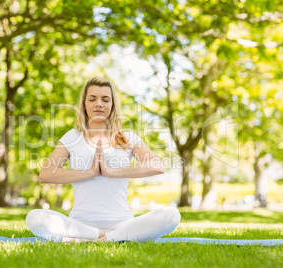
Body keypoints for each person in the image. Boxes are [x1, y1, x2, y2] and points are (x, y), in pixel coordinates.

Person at [26, 77, 181, 242]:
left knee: (171, 215)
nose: (98, 104)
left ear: (112, 105)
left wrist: (111, 171)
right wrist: (90, 172)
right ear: (84, 104)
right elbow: (46, 174)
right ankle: (103, 236)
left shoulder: (127, 138)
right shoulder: (72, 137)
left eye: (105, 99)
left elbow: (156, 166)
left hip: (122, 223)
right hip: (79, 223)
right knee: (34, 217)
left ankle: (93, 238)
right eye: (92, 99)